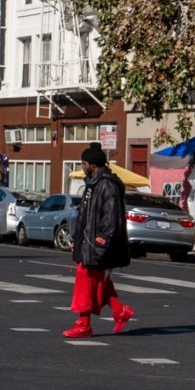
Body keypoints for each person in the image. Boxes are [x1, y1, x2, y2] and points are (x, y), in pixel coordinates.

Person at [67, 145, 134, 338]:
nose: (82, 166)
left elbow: (110, 216)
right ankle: (120, 312)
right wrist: (77, 239)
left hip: (98, 244)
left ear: (92, 165)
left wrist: (102, 239)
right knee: (98, 283)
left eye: (84, 163)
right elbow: (86, 216)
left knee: (85, 283)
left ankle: (83, 324)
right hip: (88, 243)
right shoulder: (92, 184)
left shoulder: (107, 185)